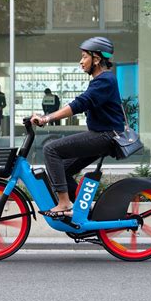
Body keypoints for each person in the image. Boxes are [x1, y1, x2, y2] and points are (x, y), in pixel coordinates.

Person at [30, 37, 125, 219]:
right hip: (102, 135)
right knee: (60, 169)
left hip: (105, 136)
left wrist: (47, 118)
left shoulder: (105, 80)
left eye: (84, 57)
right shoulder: (103, 80)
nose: (81, 61)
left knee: (51, 150)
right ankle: (81, 211)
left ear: (96, 59)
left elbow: (80, 103)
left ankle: (65, 203)